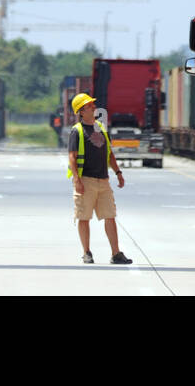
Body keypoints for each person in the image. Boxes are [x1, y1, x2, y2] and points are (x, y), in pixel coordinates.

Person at [66, 92, 132, 265]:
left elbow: (109, 154)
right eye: (89, 106)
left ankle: (116, 253)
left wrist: (118, 173)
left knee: (110, 216)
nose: (93, 107)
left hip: (103, 181)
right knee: (84, 217)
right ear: (81, 111)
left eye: (93, 105)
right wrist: (77, 180)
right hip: (85, 181)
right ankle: (86, 252)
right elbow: (72, 157)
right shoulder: (77, 131)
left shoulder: (100, 128)